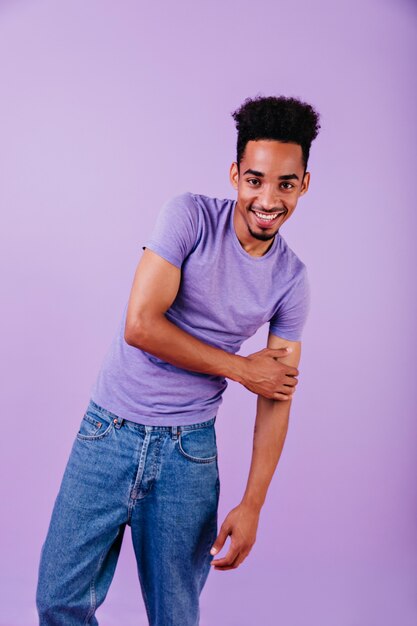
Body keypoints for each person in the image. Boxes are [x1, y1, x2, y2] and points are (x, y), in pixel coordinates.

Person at [36, 94, 321, 626]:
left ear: (303, 184)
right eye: (255, 179)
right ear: (236, 174)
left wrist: (253, 503)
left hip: (187, 455)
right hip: (108, 432)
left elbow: (276, 392)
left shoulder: (291, 280)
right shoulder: (187, 216)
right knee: (59, 600)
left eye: (286, 183)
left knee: (175, 615)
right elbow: (141, 325)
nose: (268, 198)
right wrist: (241, 368)